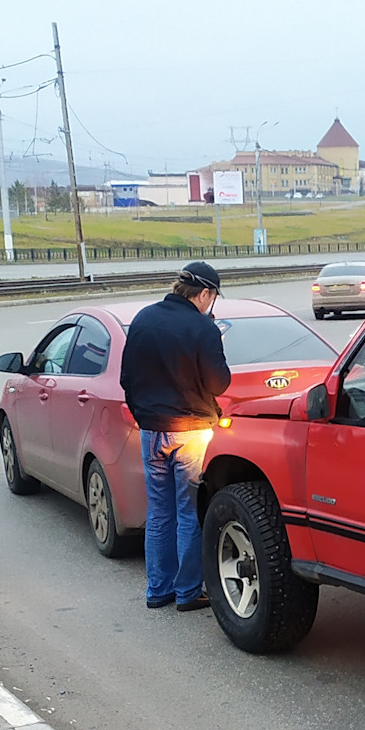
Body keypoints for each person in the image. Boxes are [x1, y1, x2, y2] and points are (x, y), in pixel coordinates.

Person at [119, 261, 230, 611]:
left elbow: (126, 379)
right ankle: (187, 592)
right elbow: (219, 383)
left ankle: (158, 590)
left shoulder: (143, 319)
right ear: (205, 293)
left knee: (159, 511)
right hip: (192, 432)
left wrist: (144, 417)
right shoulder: (203, 328)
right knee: (188, 511)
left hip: (152, 430)